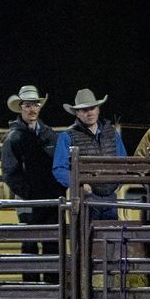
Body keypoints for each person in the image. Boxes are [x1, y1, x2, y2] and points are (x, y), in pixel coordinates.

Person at [1, 85, 62, 285]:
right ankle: (33, 292)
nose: (32, 109)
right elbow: (10, 173)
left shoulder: (49, 134)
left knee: (52, 245)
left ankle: (53, 294)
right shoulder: (14, 137)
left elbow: (59, 164)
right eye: (28, 105)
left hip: (50, 200)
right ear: (21, 108)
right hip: (29, 201)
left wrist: (55, 191)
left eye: (35, 105)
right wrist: (32, 193)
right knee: (30, 245)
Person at [52, 89, 127, 220]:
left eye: (92, 108)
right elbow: (59, 168)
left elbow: (123, 161)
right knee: (85, 236)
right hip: (84, 197)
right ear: (77, 113)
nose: (89, 113)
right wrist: (78, 183)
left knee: (111, 235)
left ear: (98, 109)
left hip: (110, 197)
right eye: (84, 110)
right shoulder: (67, 136)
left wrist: (117, 182)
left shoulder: (111, 133)